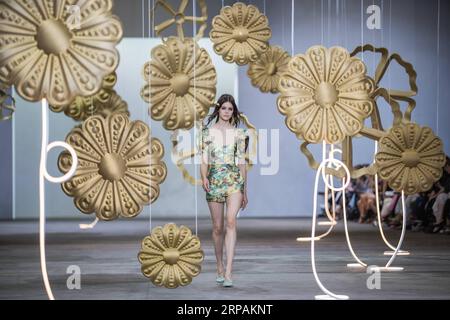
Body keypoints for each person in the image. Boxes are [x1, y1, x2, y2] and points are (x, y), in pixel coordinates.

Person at [200, 94, 249, 288]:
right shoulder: (207, 133)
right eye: (224, 108)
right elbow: (204, 160)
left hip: (234, 181)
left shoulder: (240, 133)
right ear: (218, 110)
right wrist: (204, 177)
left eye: (230, 109)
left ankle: (229, 271)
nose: (227, 112)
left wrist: (245, 189)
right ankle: (219, 266)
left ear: (233, 111)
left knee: (231, 221)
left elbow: (242, 162)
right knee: (217, 227)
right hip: (213, 180)